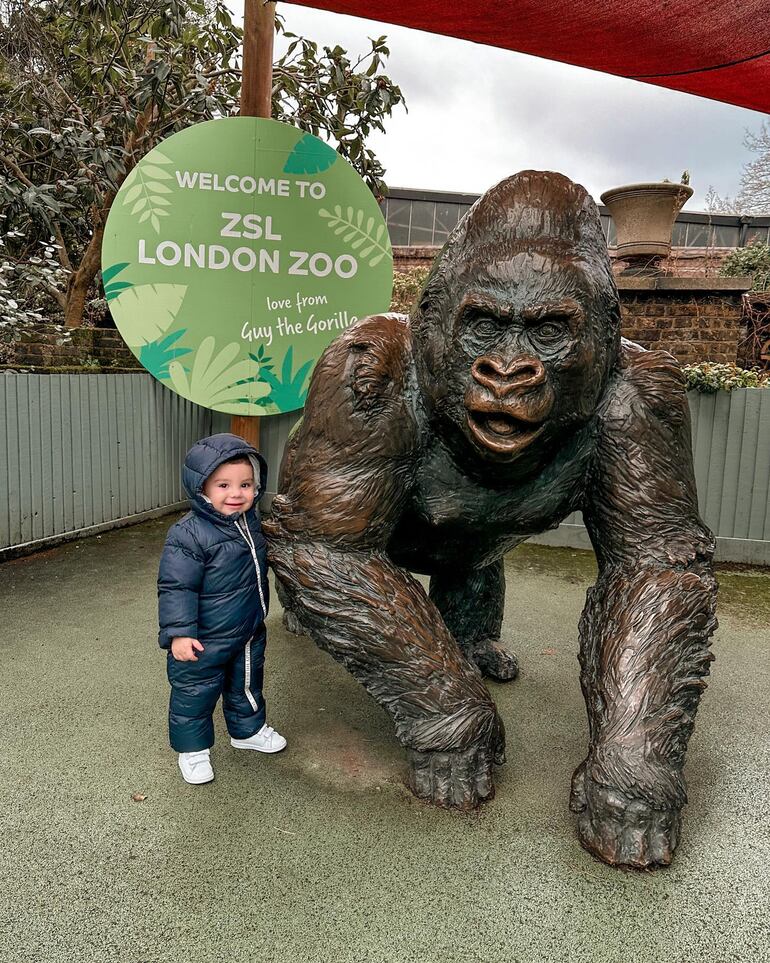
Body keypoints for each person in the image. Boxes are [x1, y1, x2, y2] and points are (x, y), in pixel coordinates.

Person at [157, 432, 286, 785]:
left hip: (247, 629)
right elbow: (176, 587)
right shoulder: (189, 534)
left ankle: (247, 731)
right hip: (204, 638)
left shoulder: (251, 523)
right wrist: (180, 633)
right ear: (202, 489)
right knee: (194, 694)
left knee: (246, 684)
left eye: (245, 484)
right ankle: (193, 751)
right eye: (223, 485)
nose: (236, 494)